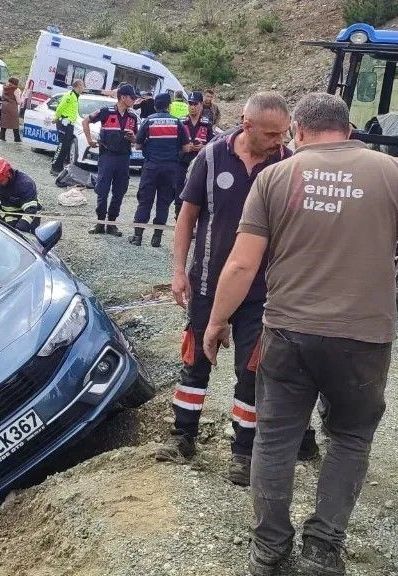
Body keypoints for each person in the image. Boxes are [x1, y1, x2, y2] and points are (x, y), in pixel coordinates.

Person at [202, 93, 398, 576]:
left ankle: (269, 549)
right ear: (350, 131)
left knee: (274, 440)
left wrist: (216, 321)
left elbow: (241, 261)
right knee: (351, 438)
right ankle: (322, 548)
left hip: (288, 332)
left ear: (298, 130)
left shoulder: (275, 177)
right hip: (362, 339)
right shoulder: (395, 172)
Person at [155, 92, 318, 486]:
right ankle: (183, 436)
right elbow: (187, 218)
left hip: (264, 291)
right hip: (208, 282)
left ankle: (243, 452)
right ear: (246, 126)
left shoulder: (288, 164)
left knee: (253, 370)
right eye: (272, 133)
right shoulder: (210, 158)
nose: (281, 140)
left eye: (286, 133)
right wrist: (179, 271)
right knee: (195, 360)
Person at [129, 92, 187, 247]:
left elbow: (138, 145)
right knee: (163, 203)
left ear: (155, 106)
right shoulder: (177, 123)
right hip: (170, 169)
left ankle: (137, 237)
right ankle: (156, 239)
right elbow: (187, 148)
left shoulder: (149, 121)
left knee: (145, 201)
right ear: (169, 106)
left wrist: (149, 144)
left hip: (151, 168)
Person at [81, 83, 139, 237]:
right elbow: (85, 121)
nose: (134, 100)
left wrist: (133, 138)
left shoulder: (133, 117)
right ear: (123, 97)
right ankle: (100, 222)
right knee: (102, 190)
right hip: (107, 156)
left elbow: (136, 139)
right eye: (132, 97)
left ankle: (112, 224)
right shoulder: (105, 112)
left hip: (123, 158)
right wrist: (89, 140)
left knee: (119, 191)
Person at [175, 91, 215, 212]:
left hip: (199, 164)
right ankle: (178, 221)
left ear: (201, 105)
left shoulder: (207, 124)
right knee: (179, 194)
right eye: (190, 104)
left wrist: (203, 147)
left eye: (195, 104)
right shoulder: (181, 122)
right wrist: (186, 146)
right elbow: (175, 143)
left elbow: (213, 144)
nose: (192, 107)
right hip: (182, 163)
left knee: (197, 195)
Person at [0, 157, 42, 232]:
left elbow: (31, 210)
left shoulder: (25, 184)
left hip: (24, 217)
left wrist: (19, 229)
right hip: (7, 215)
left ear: (8, 174)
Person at [50, 79, 85, 176]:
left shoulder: (75, 96)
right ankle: (54, 167)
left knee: (66, 146)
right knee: (62, 145)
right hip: (64, 123)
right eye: (83, 85)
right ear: (78, 86)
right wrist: (56, 118)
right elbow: (60, 107)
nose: (84, 88)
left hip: (70, 124)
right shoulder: (69, 95)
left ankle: (59, 167)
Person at [0, 77, 22, 143]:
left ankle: (2, 137)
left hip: (4, 106)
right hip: (12, 107)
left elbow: (2, 96)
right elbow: (18, 101)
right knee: (15, 122)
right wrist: (22, 101)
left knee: (4, 121)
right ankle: (17, 139)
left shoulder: (5, 87)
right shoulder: (16, 89)